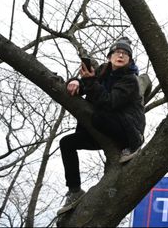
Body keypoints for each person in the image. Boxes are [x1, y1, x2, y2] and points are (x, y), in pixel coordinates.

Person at [57, 37, 146, 216]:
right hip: (101, 128)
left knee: (99, 116)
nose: (121, 55)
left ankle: (133, 144)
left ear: (130, 59)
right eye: (117, 52)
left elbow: (110, 102)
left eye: (125, 53)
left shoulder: (130, 80)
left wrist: (89, 83)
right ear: (110, 56)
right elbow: (85, 85)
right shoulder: (101, 72)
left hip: (127, 130)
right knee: (66, 142)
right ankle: (75, 191)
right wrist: (74, 81)